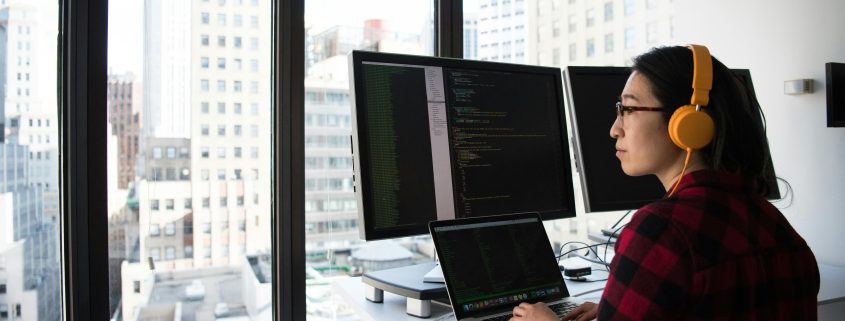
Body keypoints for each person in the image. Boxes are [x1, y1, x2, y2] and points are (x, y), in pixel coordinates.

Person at [510, 45, 819, 321]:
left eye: (628, 109)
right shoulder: (775, 223)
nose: (615, 129)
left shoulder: (660, 232)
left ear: (687, 124)